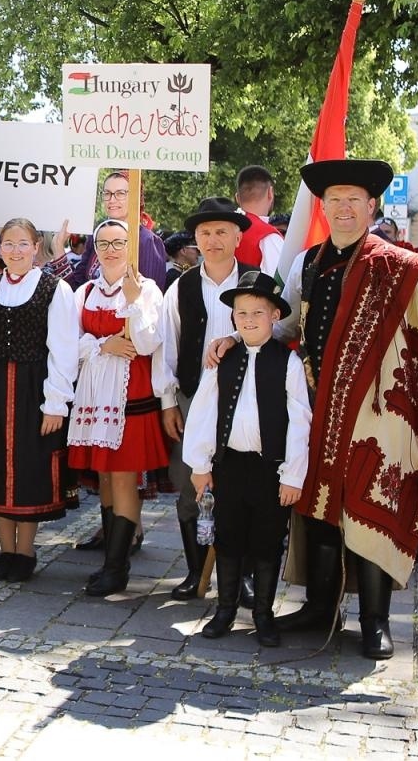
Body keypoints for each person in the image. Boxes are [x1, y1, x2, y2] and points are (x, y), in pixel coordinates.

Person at [237, 158, 418, 660]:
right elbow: (287, 327)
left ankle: (376, 621)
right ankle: (319, 607)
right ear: (324, 207)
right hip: (316, 406)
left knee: (371, 507)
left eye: (354, 200)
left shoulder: (401, 267)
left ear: (372, 206)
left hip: (378, 412)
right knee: (320, 510)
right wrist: (235, 340)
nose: (344, 209)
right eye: (335, 201)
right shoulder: (307, 262)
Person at [185, 271, 310, 646]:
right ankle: (224, 609)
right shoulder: (223, 357)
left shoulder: (287, 363)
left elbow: (300, 421)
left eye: (258, 311)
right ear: (233, 318)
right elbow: (204, 414)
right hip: (230, 466)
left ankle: (263, 615)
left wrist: (293, 475)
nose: (250, 319)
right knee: (228, 538)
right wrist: (201, 465)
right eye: (242, 313)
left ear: (274, 315)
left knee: (268, 540)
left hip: (270, 469)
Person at [0, 218, 78, 582]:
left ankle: (25, 551)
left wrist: (56, 402)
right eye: (8, 243)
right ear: (0, 247)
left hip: (33, 386)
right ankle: (5, 550)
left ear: (36, 246)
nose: (15, 250)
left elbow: (64, 349)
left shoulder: (55, 289)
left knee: (29, 467)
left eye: (23, 243)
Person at [156, 198, 256, 603]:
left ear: (237, 235)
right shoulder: (181, 286)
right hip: (192, 398)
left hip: (246, 401)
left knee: (244, 487)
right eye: (205, 233)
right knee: (188, 486)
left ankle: (242, 577)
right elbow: (166, 347)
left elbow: (278, 332)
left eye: (220, 232)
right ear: (195, 239)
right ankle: (196, 571)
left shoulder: (257, 281)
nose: (212, 240)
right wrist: (167, 402)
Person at [67, 219, 167, 597]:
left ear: (130, 246)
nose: (110, 249)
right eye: (103, 243)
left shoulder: (148, 289)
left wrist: (135, 301)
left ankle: (116, 567)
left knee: (124, 477)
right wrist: (102, 346)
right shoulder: (86, 292)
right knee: (106, 477)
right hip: (95, 396)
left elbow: (147, 344)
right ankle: (111, 561)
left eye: (118, 242)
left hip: (130, 395)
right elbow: (67, 344)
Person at [47, 171, 168, 286]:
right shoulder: (97, 236)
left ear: (135, 198)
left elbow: (150, 300)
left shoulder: (146, 240)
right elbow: (77, 289)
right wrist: (58, 248)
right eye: (107, 193)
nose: (112, 200)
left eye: (120, 193)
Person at [233, 165, 286, 276]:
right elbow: (279, 285)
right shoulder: (269, 237)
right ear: (270, 193)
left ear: (237, 198)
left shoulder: (223, 228)